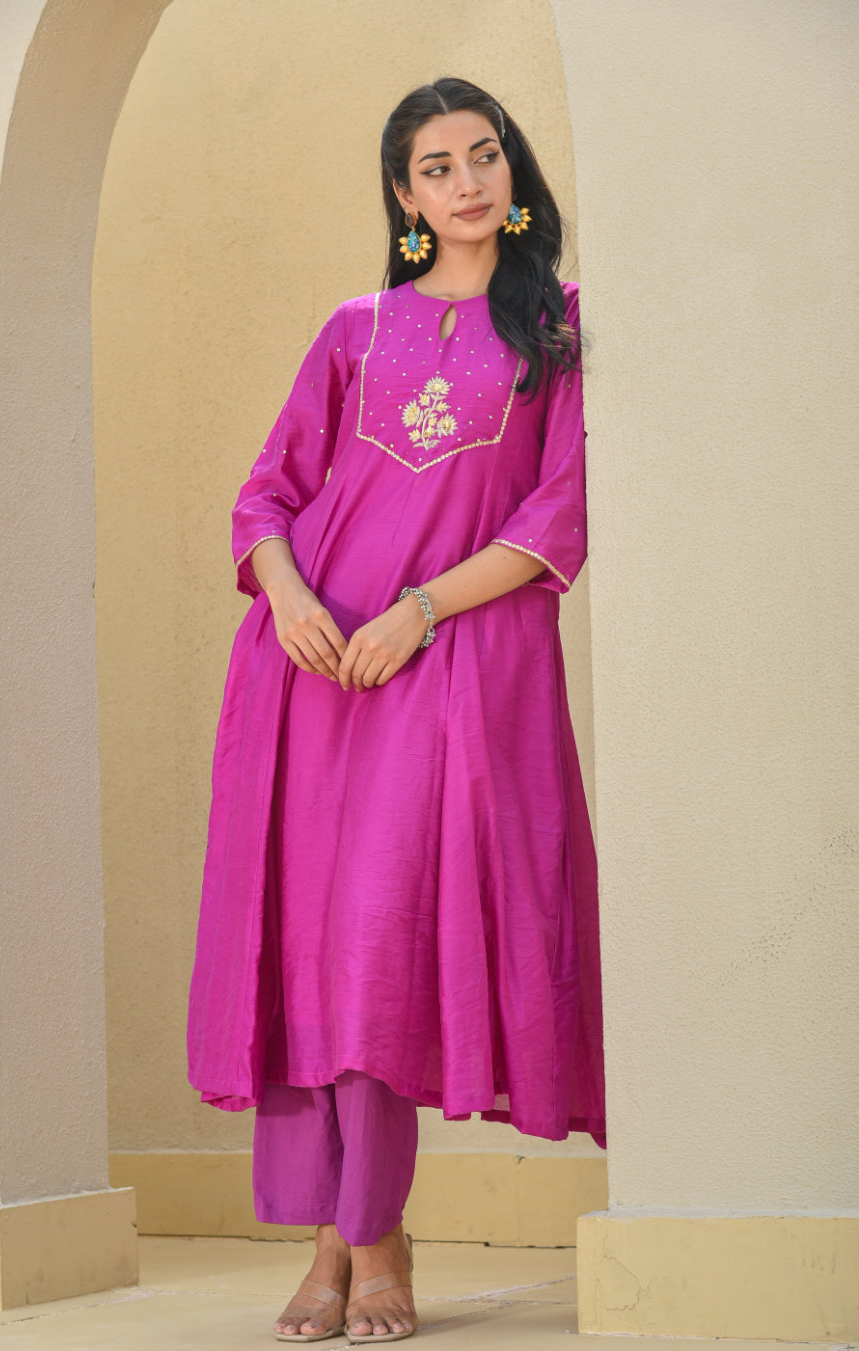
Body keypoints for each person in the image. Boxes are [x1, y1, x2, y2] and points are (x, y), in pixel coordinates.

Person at [187, 76, 606, 1344]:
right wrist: (289, 597)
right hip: (310, 675)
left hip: (447, 673)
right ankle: (357, 1241)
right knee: (317, 956)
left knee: (373, 948)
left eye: (484, 157)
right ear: (404, 196)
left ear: (511, 172)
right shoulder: (354, 327)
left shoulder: (562, 330)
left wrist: (418, 612)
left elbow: (557, 518)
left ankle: (357, 1239)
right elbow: (265, 497)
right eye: (435, 168)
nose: (467, 182)